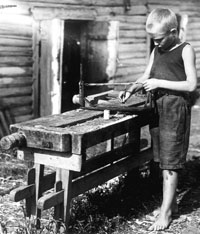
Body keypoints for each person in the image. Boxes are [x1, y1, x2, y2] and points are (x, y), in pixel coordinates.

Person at [119, 8, 197, 231]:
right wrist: (132, 88)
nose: (155, 44)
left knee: (170, 163)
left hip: (175, 108)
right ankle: (170, 206)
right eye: (152, 40)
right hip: (157, 107)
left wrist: (159, 84)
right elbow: (147, 75)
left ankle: (165, 214)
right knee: (162, 158)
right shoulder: (157, 51)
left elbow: (191, 85)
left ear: (173, 31)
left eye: (159, 39)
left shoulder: (185, 50)